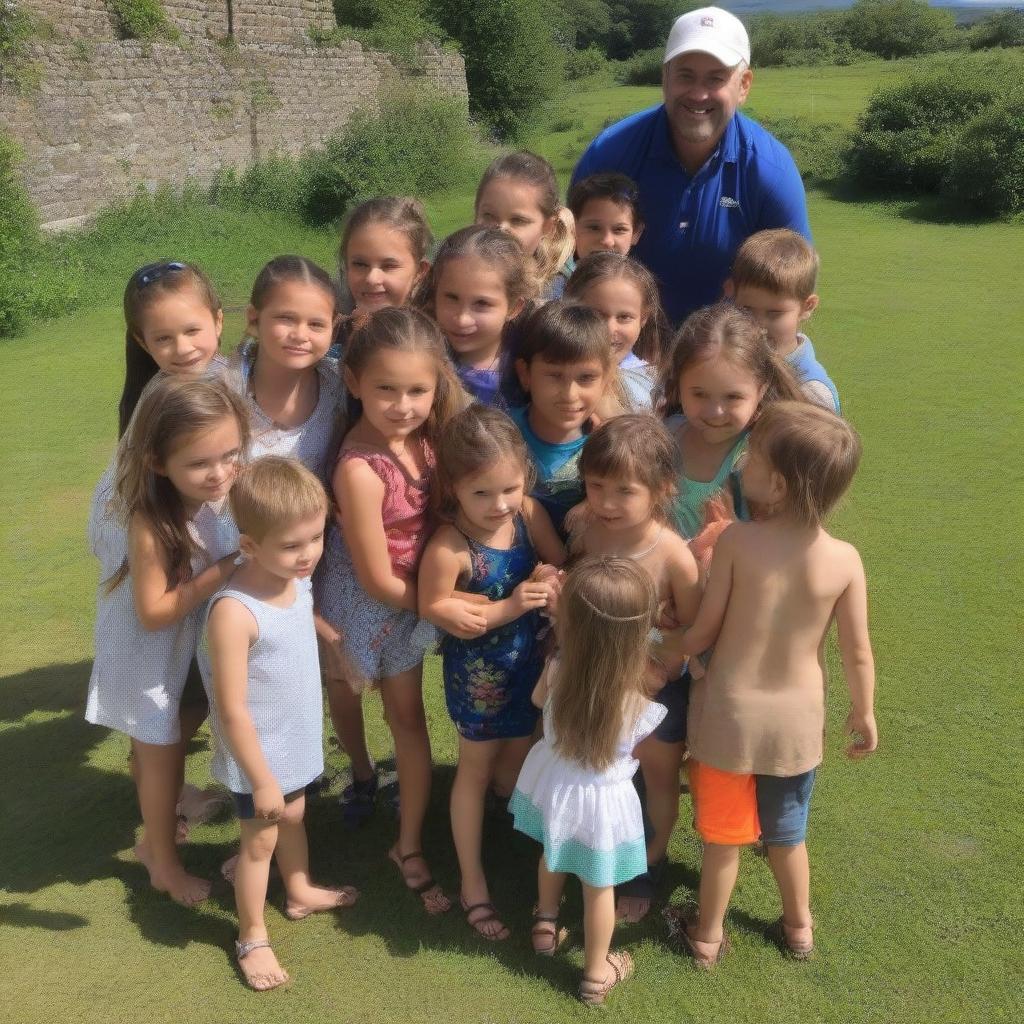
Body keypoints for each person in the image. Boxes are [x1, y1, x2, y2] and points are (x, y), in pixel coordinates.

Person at [664, 402, 878, 967]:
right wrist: (864, 712)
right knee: (786, 834)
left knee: (725, 837)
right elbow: (857, 650)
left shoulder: (737, 541)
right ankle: (799, 927)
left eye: (753, 457)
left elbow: (703, 629)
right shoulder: (845, 559)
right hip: (796, 723)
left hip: (729, 717)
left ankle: (707, 936)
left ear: (778, 484)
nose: (742, 463)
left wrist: (662, 648)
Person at [314, 307, 464, 914]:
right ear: (354, 383)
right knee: (345, 695)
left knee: (408, 717)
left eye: (417, 390)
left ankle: (407, 844)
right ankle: (360, 773)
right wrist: (442, 606)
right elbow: (376, 576)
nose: (403, 404)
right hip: (360, 602)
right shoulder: (359, 468)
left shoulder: (429, 442)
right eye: (386, 390)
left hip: (408, 604)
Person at [85, 376, 249, 907]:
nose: (220, 473)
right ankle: (162, 862)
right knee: (159, 756)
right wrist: (224, 570)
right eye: (201, 463)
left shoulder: (218, 493)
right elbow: (155, 613)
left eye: (230, 454)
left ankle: (159, 841)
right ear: (159, 462)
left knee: (175, 739)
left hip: (190, 647)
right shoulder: (151, 520)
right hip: (148, 652)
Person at [200, 456, 358, 992]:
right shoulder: (234, 611)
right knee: (258, 842)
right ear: (249, 546)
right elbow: (232, 708)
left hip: (294, 740)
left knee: (296, 815)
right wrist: (261, 777)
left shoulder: (296, 578)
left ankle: (299, 889)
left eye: (316, 537)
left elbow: (298, 624)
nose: (309, 553)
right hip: (257, 756)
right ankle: (251, 936)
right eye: (293, 545)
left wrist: (333, 644)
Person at [419, 405, 565, 941]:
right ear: (453, 487)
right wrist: (516, 605)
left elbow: (557, 558)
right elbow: (440, 610)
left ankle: (511, 832)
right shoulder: (450, 546)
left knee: (517, 761)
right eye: (482, 493)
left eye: (510, 487)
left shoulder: (527, 513)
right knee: (475, 774)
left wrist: (553, 575)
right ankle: (473, 881)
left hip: (530, 668)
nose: (499, 504)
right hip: (480, 679)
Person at [572, 6, 811, 325]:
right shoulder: (609, 153)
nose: (699, 94)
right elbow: (566, 261)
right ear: (665, 78)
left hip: (725, 359)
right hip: (617, 350)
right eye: (686, 75)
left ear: (744, 86)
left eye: (716, 79)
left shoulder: (772, 170)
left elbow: (790, 288)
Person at [509, 557, 667, 1006]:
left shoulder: (557, 669)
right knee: (599, 887)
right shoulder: (637, 703)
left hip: (557, 784)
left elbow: (539, 701)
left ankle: (544, 923)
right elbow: (635, 746)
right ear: (637, 633)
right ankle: (597, 973)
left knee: (553, 854)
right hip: (603, 801)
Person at [572, 416, 701, 922]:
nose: (605, 502)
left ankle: (648, 865)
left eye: (623, 491)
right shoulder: (587, 532)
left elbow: (693, 629)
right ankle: (595, 854)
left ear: (661, 490)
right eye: (595, 486)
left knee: (658, 779)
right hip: (599, 683)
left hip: (655, 693)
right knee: (609, 778)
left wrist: (663, 666)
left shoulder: (673, 555)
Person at [656, 301, 803, 540]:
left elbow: (776, 544)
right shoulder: (666, 434)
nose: (715, 412)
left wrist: (731, 530)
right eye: (699, 394)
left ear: (761, 390)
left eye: (733, 397)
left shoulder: (756, 460)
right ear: (678, 384)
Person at [505, 302, 615, 538]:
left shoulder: (611, 448)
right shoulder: (502, 434)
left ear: (606, 380)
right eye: (555, 376)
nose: (569, 394)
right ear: (525, 374)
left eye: (586, 377)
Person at [228, 256, 342, 484]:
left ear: (334, 329)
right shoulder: (222, 392)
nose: (300, 335)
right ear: (253, 319)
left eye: (316, 324)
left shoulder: (342, 386)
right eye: (286, 318)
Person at [414, 225, 535, 406]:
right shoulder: (420, 358)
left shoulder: (533, 362)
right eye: (452, 298)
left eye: (481, 304)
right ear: (435, 293)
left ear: (514, 308)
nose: (462, 319)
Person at [726, 228, 839, 412]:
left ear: (807, 306)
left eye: (774, 313)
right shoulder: (725, 363)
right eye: (746, 309)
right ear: (731, 293)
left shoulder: (811, 393)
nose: (758, 325)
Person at [565, 252, 668, 411]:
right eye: (596, 314)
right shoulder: (553, 368)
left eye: (624, 317)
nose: (610, 329)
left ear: (643, 318)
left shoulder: (654, 385)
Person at [332, 196, 433, 357]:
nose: (372, 278)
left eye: (389, 266)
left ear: (419, 272)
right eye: (360, 264)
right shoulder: (329, 339)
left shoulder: (432, 344)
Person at [475, 152, 576, 301]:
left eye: (518, 220)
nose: (501, 230)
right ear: (476, 214)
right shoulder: (452, 279)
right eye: (489, 216)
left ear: (548, 227)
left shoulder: (557, 299)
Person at [566, 172, 645, 262]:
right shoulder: (551, 275)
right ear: (571, 228)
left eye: (619, 230)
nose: (607, 241)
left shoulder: (642, 276)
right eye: (594, 228)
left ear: (636, 233)